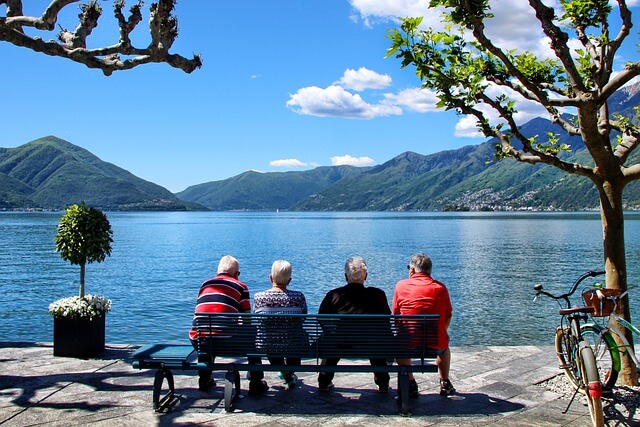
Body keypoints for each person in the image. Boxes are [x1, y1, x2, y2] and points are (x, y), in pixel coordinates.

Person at [188, 255, 269, 395]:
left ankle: (204, 378)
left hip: (200, 341)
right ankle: (256, 381)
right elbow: (247, 321)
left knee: (207, 331)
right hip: (227, 342)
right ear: (236, 274)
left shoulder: (205, 284)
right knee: (251, 335)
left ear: (218, 272)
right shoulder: (241, 286)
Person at [317, 256, 391, 393]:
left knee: (332, 341)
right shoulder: (378, 295)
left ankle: (324, 380)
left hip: (339, 343)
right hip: (371, 344)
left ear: (346, 276)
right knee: (376, 341)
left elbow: (321, 319)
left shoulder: (334, 295)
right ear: (366, 276)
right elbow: (386, 320)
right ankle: (383, 383)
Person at [392, 253, 454, 397]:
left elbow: (395, 315)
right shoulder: (441, 288)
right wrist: (442, 331)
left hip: (408, 344)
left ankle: (410, 382)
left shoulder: (400, 286)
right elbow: (448, 314)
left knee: (401, 343)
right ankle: (444, 382)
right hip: (435, 344)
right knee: (444, 347)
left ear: (412, 270)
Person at [253, 260, 308, 388]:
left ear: (271, 278)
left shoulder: (259, 297)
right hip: (294, 344)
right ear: (289, 280)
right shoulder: (298, 297)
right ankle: (288, 372)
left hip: (268, 345)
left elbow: (258, 318)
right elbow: (303, 318)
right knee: (294, 337)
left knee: (270, 339)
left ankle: (285, 372)